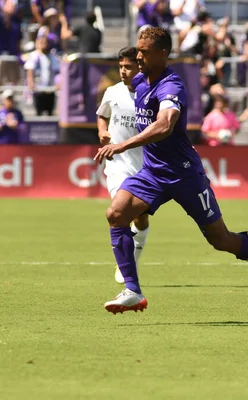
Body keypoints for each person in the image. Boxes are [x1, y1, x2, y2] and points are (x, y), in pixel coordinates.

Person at [94, 27, 248, 314]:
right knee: (116, 213)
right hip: (153, 173)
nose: (139, 57)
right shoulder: (140, 80)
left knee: (220, 239)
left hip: (185, 174)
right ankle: (132, 290)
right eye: (137, 50)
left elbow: (165, 125)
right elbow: (115, 98)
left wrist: (123, 144)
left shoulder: (171, 86)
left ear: (163, 54)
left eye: (145, 52)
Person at [96, 46, 150, 285]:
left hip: (145, 165)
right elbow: (102, 114)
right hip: (117, 164)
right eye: (121, 67)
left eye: (128, 66)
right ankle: (126, 264)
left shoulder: (150, 93)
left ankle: (137, 248)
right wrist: (102, 132)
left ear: (140, 66)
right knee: (120, 211)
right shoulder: (112, 92)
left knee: (141, 218)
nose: (123, 71)